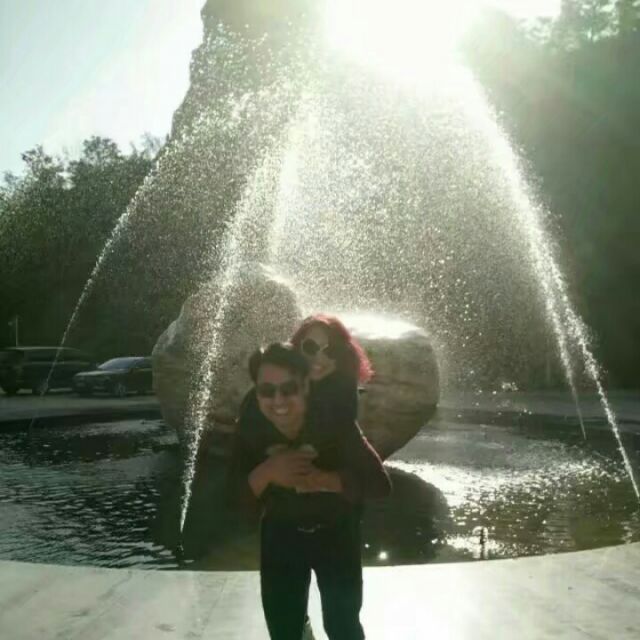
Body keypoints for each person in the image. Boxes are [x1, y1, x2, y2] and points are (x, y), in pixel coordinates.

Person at [228, 342, 390, 640]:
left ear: (305, 386)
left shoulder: (335, 423)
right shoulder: (251, 426)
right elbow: (231, 498)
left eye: (289, 389)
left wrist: (324, 480)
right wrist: (268, 471)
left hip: (337, 534)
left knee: (343, 627)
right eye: (267, 391)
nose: (278, 401)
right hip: (281, 535)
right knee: (284, 630)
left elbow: (379, 484)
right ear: (257, 392)